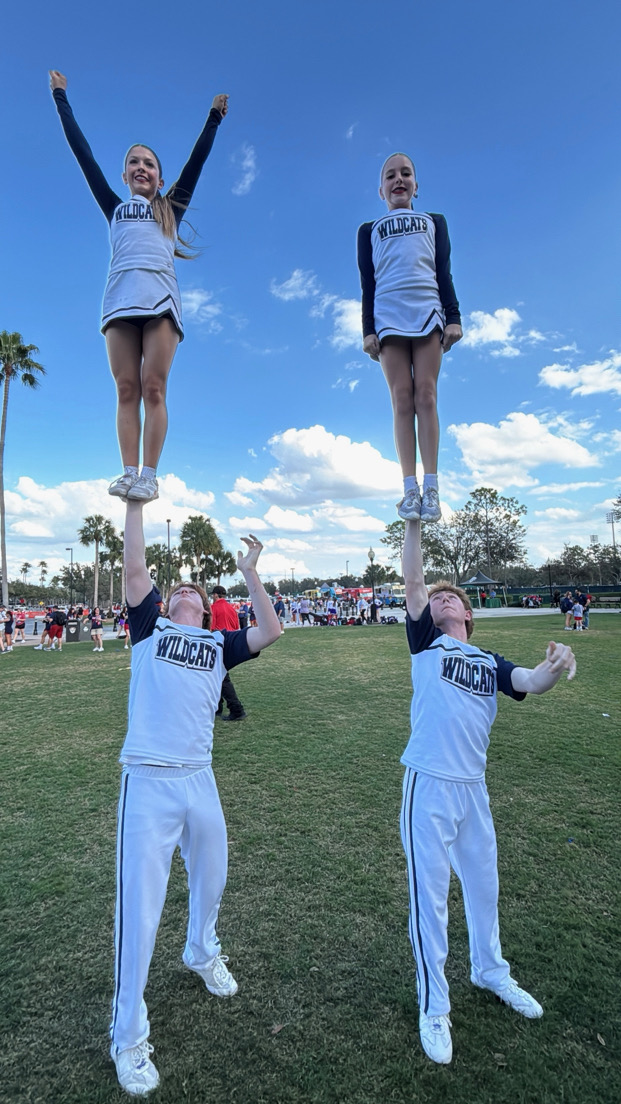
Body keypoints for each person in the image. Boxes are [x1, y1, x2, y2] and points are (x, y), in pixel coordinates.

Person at [109, 502, 280, 1095]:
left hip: (200, 777)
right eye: (175, 584)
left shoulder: (216, 644)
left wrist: (251, 571)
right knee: (140, 909)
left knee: (214, 875)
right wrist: (135, 504)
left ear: (205, 609)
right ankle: (127, 1035)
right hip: (149, 778)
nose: (182, 588)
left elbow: (271, 630)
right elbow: (134, 570)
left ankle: (202, 950)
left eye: (192, 589)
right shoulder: (150, 628)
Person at [400, 518, 576, 1065]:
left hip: (473, 791)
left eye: (452, 596)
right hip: (428, 784)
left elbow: (528, 682)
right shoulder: (426, 641)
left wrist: (554, 664)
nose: (442, 599)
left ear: (469, 614)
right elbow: (411, 583)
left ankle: (489, 970)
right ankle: (435, 1007)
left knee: (484, 887)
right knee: (430, 900)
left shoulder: (489, 662)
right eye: (437, 597)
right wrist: (413, 524)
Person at [50, 70, 228, 503]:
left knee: (153, 386)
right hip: (118, 302)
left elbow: (196, 162)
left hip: (161, 302)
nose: (142, 168)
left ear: (160, 179)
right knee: (126, 387)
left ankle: (150, 473)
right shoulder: (114, 208)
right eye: (135, 162)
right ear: (125, 174)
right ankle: (128, 471)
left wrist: (213, 119)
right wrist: (60, 98)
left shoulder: (169, 209)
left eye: (149, 164)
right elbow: (83, 154)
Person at [357, 153, 462, 523]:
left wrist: (454, 317)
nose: (398, 180)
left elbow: (443, 271)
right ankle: (409, 489)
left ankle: (432, 486)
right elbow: (367, 283)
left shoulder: (434, 222)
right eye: (390, 175)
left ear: (417, 183)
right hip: (388, 315)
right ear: (380, 188)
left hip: (428, 311)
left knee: (426, 395)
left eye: (406, 174)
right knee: (401, 398)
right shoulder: (369, 230)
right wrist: (368, 328)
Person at [210, 585, 247, 721]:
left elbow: (211, 627)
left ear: (216, 595)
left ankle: (236, 709)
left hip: (218, 642)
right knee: (217, 675)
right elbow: (236, 626)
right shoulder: (232, 608)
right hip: (231, 642)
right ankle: (217, 707)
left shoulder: (214, 608)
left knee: (222, 677)